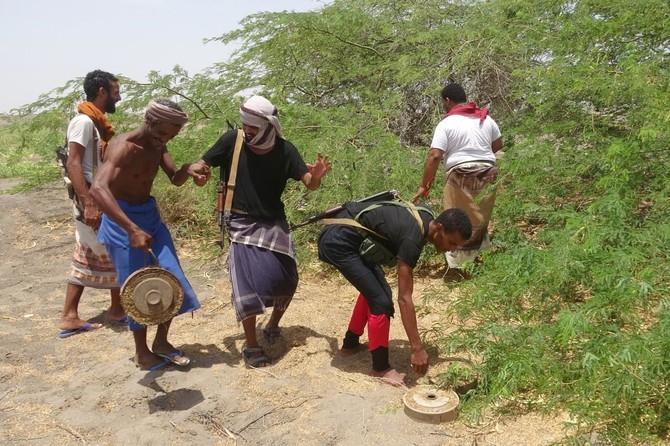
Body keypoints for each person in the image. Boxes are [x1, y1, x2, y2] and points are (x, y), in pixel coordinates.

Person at [193, 95, 331, 368]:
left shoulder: (285, 150)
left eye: (252, 127)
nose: (247, 131)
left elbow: (309, 183)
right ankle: (251, 344)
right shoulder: (231, 141)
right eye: (245, 125)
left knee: (287, 280)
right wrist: (198, 173)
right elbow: (203, 165)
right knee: (247, 284)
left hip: (273, 223)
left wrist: (315, 178)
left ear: (268, 126)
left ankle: (273, 324)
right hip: (241, 223)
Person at [90, 99, 210, 371]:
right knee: (136, 288)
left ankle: (162, 342)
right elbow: (98, 189)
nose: (166, 139)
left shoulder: (158, 144)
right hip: (122, 221)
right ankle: (142, 353)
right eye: (164, 133)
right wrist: (131, 229)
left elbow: (174, 178)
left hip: (150, 216)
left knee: (172, 279)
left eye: (172, 135)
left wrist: (188, 170)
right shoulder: (123, 147)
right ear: (149, 121)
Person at [317, 202, 472, 386]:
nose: (452, 249)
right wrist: (416, 348)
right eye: (451, 242)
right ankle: (380, 368)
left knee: (377, 290)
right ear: (439, 228)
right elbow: (405, 298)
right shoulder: (412, 238)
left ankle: (350, 345)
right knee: (381, 301)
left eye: (456, 246)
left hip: (348, 235)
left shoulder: (425, 217)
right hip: (338, 242)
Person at [59, 69, 125, 338]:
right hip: (90, 200)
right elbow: (73, 163)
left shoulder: (96, 124)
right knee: (108, 247)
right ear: (102, 92)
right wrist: (88, 203)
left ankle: (115, 309)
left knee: (96, 250)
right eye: (115, 92)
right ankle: (71, 316)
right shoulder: (84, 123)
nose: (118, 98)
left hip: (96, 198)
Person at [413, 83, 503, 275]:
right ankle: (478, 264)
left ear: (447, 101)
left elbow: (435, 155)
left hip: (460, 175)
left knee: (454, 220)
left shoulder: (447, 123)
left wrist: (424, 185)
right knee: (479, 219)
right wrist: (480, 158)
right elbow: (498, 145)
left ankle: (456, 269)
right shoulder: (486, 120)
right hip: (488, 173)